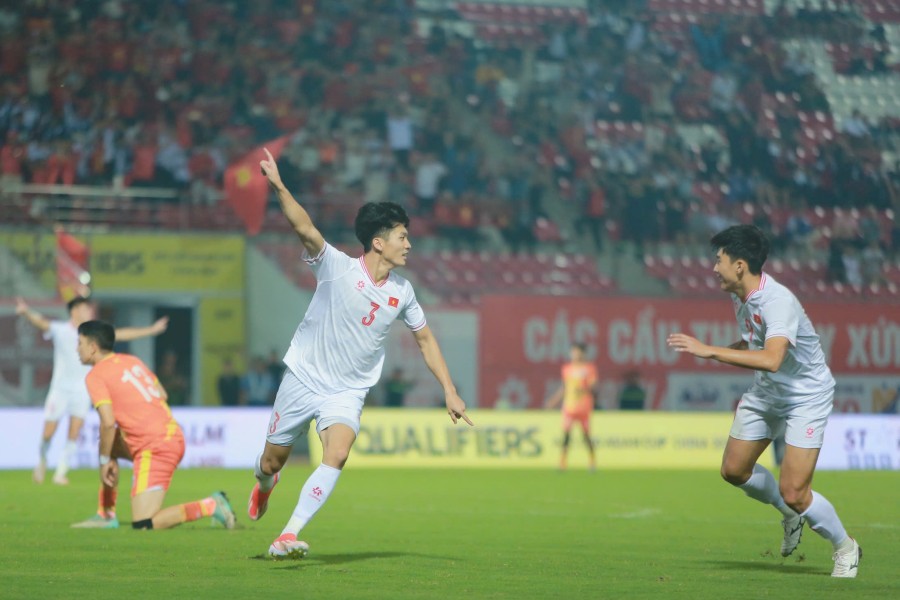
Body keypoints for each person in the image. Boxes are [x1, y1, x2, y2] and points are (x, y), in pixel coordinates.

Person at [247, 148, 473, 559]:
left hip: (348, 390)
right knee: (272, 461)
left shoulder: (403, 292)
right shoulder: (336, 267)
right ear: (378, 242)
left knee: (338, 453)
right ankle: (264, 486)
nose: (409, 243)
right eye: (402, 236)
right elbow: (306, 228)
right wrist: (278, 186)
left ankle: (288, 532)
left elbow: (425, 339)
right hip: (304, 377)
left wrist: (449, 390)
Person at [666, 224, 861, 578]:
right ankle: (788, 516)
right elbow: (753, 343)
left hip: (806, 397)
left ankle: (845, 547)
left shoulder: (778, 301)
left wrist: (710, 352)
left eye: (719, 260)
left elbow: (771, 357)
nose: (713, 268)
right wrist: (720, 350)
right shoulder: (740, 296)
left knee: (795, 492)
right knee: (733, 471)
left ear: (739, 264)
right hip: (768, 391)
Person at [71, 320, 236, 530]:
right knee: (108, 444)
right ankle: (106, 514)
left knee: (144, 524)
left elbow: (108, 422)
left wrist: (104, 462)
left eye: (80, 343)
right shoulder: (131, 361)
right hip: (169, 435)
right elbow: (162, 394)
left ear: (93, 347)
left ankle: (211, 505)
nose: (77, 348)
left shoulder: (95, 375)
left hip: (155, 447)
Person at [15, 296, 168, 485]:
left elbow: (121, 333)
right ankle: (42, 461)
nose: (89, 312)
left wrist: (151, 330)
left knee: (74, 432)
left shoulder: (94, 334)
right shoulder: (61, 330)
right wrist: (26, 312)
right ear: (74, 311)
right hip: (59, 390)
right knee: (48, 432)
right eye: (85, 308)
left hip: (82, 390)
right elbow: (42, 323)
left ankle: (61, 473)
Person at [544, 342, 598, 471]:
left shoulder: (589, 368)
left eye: (577, 352)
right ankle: (562, 463)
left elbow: (593, 386)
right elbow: (564, 388)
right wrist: (553, 401)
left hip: (584, 407)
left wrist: (584, 390)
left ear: (583, 353)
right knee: (566, 435)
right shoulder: (567, 368)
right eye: (573, 352)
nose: (575, 354)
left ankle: (592, 461)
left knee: (586, 436)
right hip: (569, 407)